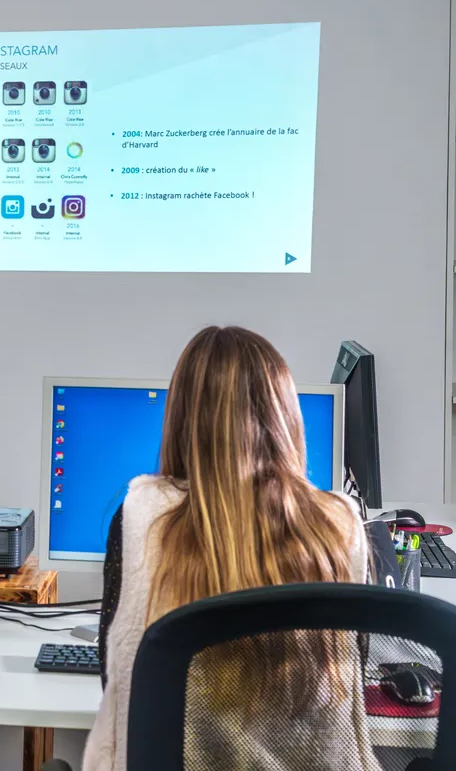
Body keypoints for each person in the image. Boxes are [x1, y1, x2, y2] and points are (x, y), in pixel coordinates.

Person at [83, 326, 376, 771]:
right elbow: (354, 665)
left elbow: (118, 676)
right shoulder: (340, 525)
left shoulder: (144, 515)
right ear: (285, 419)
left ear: (181, 418)